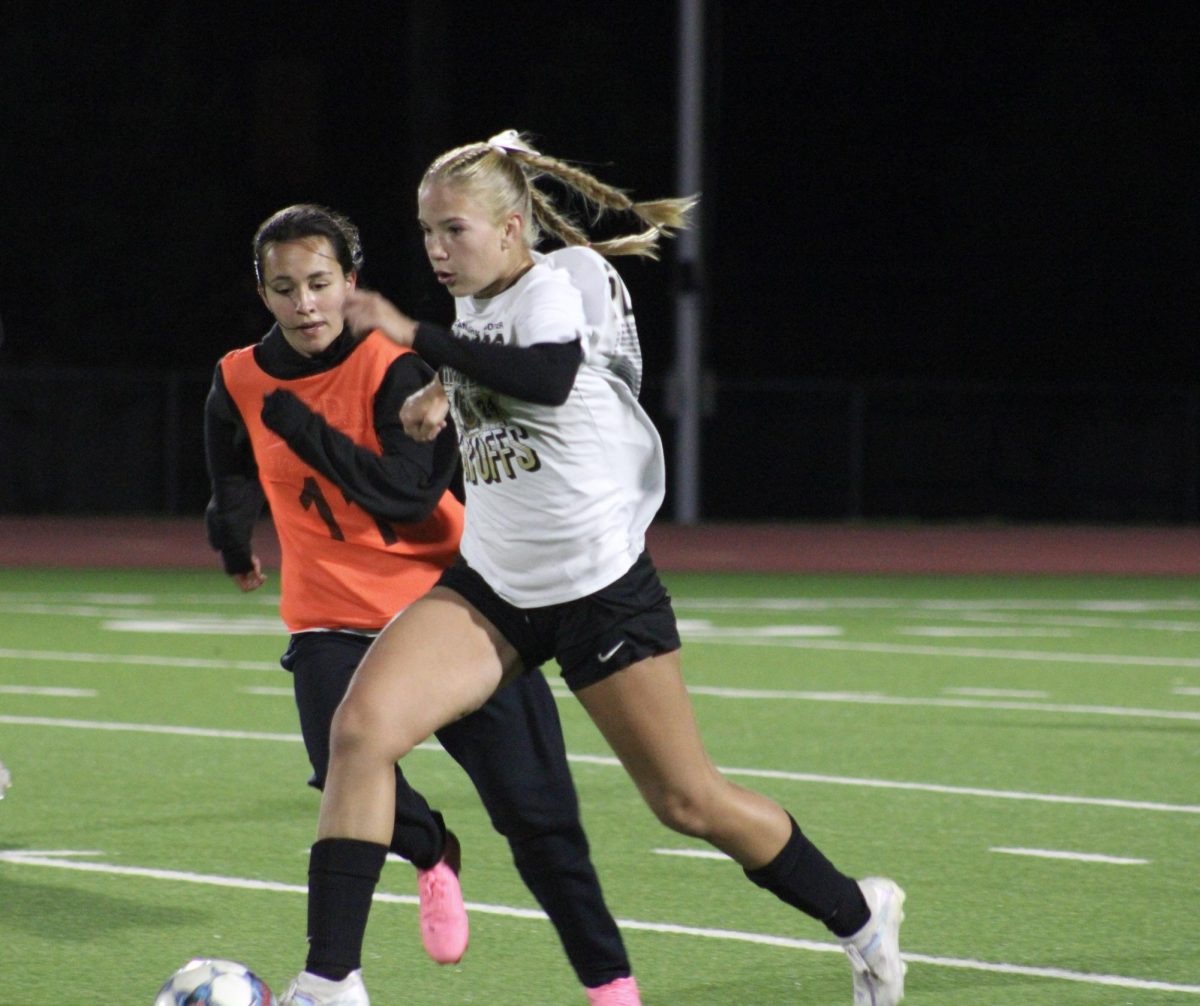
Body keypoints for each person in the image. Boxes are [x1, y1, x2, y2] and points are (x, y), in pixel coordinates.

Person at [279, 132, 907, 1006]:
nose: (434, 248)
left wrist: (414, 337)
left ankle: (860, 915)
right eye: (426, 231)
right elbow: (504, 392)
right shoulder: (479, 305)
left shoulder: (559, 283)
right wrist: (437, 398)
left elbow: (545, 377)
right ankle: (330, 981)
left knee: (687, 803)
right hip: (494, 588)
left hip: (599, 593)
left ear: (512, 227)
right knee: (361, 731)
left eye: (452, 229)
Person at [204, 203, 641, 1005]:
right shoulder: (238, 375)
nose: (305, 304)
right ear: (261, 293)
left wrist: (301, 428)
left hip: (458, 609)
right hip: (330, 616)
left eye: (320, 283)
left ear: (351, 281)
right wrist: (235, 543)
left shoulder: (394, 365)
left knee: (539, 820)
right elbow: (229, 467)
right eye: (285, 288)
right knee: (342, 766)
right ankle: (399, 893)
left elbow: (406, 496)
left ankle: (612, 987)